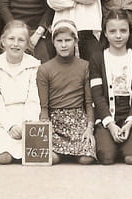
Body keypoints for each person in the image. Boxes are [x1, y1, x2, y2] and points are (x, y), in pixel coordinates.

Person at [89, 10, 132, 165]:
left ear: (130, 32)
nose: (118, 36)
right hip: (107, 115)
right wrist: (110, 124)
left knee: (131, 157)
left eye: (123, 31)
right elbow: (97, 96)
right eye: (112, 31)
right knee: (106, 157)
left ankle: (129, 144)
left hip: (130, 114)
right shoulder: (97, 59)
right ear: (105, 33)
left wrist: (130, 122)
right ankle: (111, 142)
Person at [37, 20, 96, 164]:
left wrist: (89, 128)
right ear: (53, 42)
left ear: (75, 41)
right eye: (59, 41)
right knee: (50, 158)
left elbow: (89, 102)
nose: (64, 45)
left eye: (68, 40)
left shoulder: (85, 66)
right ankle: (62, 154)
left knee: (86, 159)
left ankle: (71, 153)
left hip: (77, 120)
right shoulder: (45, 69)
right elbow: (44, 106)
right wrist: (46, 127)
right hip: (55, 121)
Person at [0, 21, 41, 164]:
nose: (15, 44)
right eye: (11, 39)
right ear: (3, 41)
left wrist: (26, 125)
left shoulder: (34, 65)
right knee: (4, 158)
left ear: (27, 44)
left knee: (29, 157)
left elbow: (34, 99)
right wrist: (10, 125)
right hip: (3, 121)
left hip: (27, 118)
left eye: (21, 40)